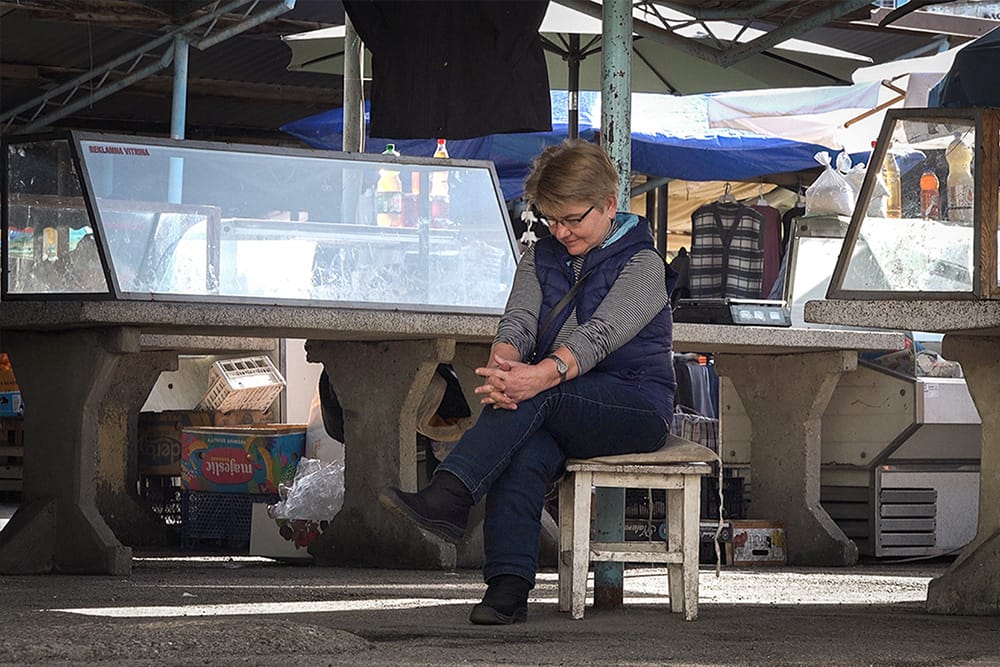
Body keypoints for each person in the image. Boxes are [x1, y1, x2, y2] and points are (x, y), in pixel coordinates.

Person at [379, 139, 677, 625]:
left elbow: (599, 337)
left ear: (608, 204)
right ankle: (507, 589)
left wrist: (536, 376)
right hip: (557, 401)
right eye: (551, 220)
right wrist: (503, 367)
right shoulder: (539, 257)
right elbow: (517, 321)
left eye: (572, 219)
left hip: (634, 405)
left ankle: (451, 495)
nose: (560, 231)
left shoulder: (644, 265)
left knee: (538, 397)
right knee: (524, 441)